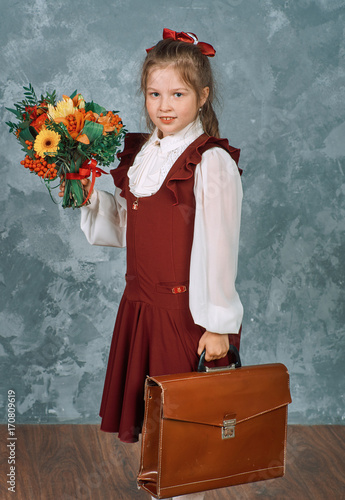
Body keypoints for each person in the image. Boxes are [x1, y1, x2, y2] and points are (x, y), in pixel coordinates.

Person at [60, 28, 243, 500]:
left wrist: (218, 323)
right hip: (140, 305)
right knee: (155, 423)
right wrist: (85, 196)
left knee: (186, 425)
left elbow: (221, 247)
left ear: (202, 96)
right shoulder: (143, 154)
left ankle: (185, 490)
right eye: (154, 93)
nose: (165, 105)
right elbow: (128, 228)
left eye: (178, 93)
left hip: (183, 313)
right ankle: (161, 486)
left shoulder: (210, 161)